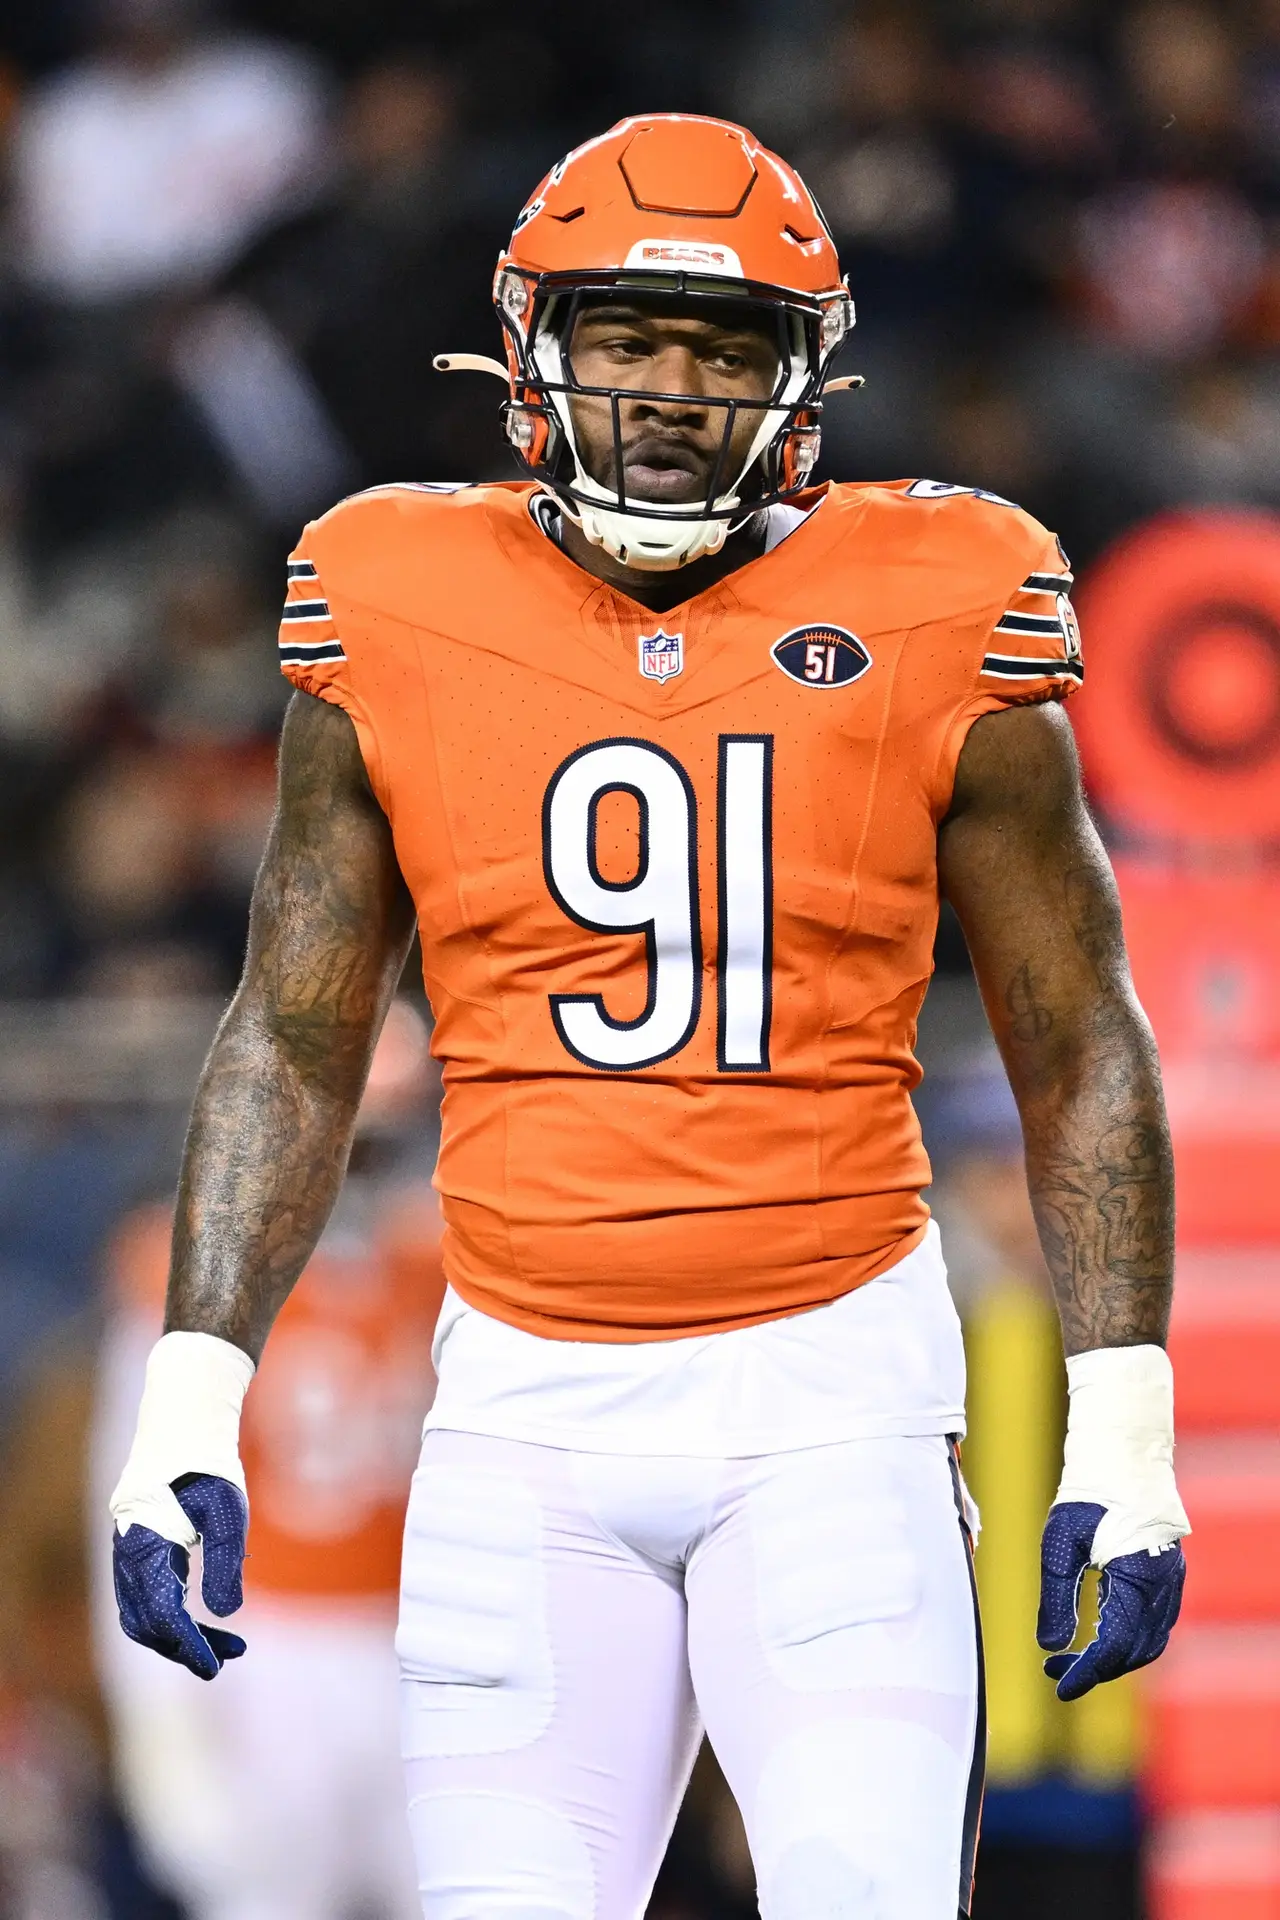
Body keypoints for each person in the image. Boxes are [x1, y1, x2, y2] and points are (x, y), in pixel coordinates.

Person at [107, 114, 1189, 1919]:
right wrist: (190, 1394)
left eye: (725, 347)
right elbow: (293, 1038)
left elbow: (1079, 1034)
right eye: (625, 338)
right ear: (536, 348)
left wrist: (1125, 1427)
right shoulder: (391, 593)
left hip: (837, 1401)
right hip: (523, 1411)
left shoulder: (940, 597)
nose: (673, 389)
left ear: (804, 378)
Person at [94, 1002, 443, 1920]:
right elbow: (137, 1503)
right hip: (269, 1651)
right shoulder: (191, 1269)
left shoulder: (452, 1257)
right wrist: (159, 1716)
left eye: (375, 1146)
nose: (352, 1176)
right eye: (342, 1142)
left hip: (432, 1640)